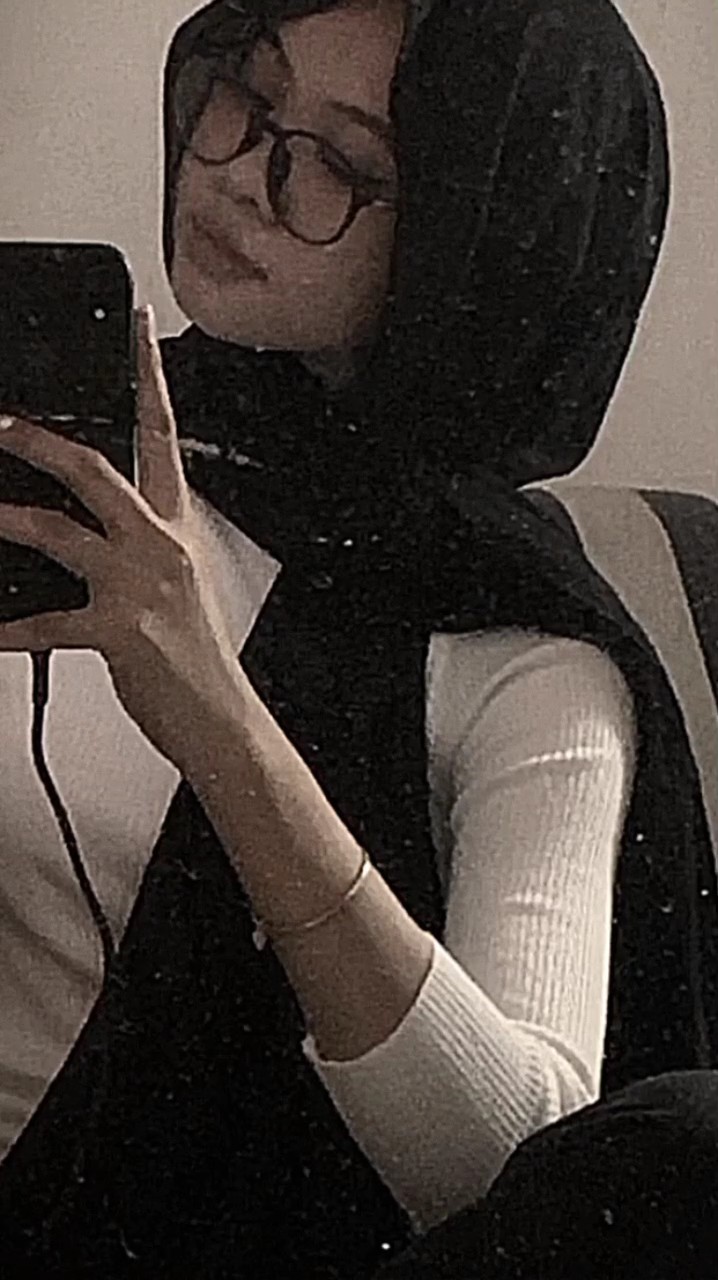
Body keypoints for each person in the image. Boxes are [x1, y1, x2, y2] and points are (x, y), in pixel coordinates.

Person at [0, 0, 715, 1276]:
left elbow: (517, 1169)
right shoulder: (67, 454)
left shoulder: (523, 651)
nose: (240, 173)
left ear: (478, 247)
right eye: (245, 92)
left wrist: (218, 720)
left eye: (339, 160)